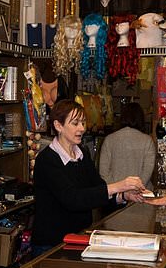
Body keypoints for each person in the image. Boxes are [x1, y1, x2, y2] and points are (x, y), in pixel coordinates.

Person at [30, 100, 146, 253]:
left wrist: (123, 196)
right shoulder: (47, 160)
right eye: (75, 123)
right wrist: (119, 185)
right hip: (51, 245)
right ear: (58, 126)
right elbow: (73, 199)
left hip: (78, 240)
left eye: (83, 123)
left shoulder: (82, 154)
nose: (82, 128)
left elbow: (98, 190)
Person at [98, 102, 155, 193]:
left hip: (115, 197)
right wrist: (135, 190)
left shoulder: (109, 139)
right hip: (141, 196)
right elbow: (147, 172)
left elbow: (103, 172)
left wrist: (118, 192)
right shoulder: (147, 140)